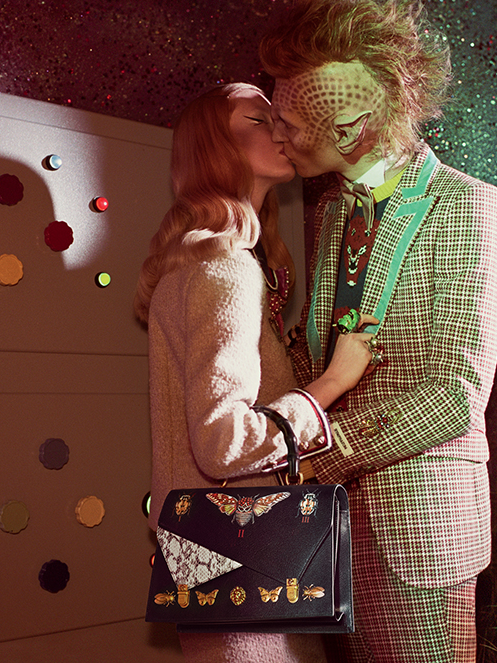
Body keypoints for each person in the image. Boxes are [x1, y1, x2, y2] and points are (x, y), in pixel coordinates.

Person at [260, 0, 497, 661]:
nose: (275, 135)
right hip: (333, 528)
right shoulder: (332, 212)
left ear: (350, 127)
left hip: (420, 532)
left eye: (288, 123)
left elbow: (456, 395)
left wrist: (320, 457)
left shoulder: (468, 203)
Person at [134, 82, 377, 663]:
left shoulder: (202, 262)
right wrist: (330, 383)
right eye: (258, 120)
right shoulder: (226, 269)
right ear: (217, 147)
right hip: (247, 570)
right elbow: (222, 443)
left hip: (210, 560)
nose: (281, 130)